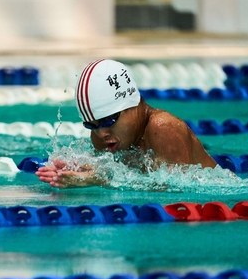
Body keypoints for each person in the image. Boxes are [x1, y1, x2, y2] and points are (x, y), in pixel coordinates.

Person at [36, 59, 217, 188]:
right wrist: (80, 170)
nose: (101, 133)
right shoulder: (104, 136)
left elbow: (179, 190)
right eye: (91, 125)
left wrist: (100, 180)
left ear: (132, 105)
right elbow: (122, 171)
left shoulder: (163, 127)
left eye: (109, 120)